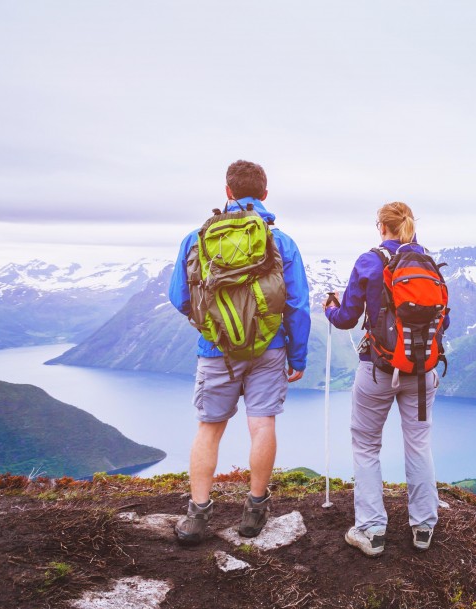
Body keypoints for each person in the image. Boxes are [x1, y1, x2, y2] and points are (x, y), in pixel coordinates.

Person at [168, 160, 311, 544]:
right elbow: (297, 306)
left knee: (209, 430)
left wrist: (213, 326)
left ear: (227, 191)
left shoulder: (196, 238)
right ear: (265, 194)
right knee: (262, 425)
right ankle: (255, 510)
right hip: (269, 348)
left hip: (215, 351)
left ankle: (197, 516)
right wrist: (297, 358)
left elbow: (179, 297)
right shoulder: (281, 241)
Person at [325, 201, 446, 556]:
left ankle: (372, 530)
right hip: (422, 373)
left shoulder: (370, 261)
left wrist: (330, 308)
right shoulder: (428, 264)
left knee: (366, 446)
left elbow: (347, 317)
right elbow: (444, 321)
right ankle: (423, 526)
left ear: (381, 226)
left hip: (377, 372)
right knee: (419, 444)